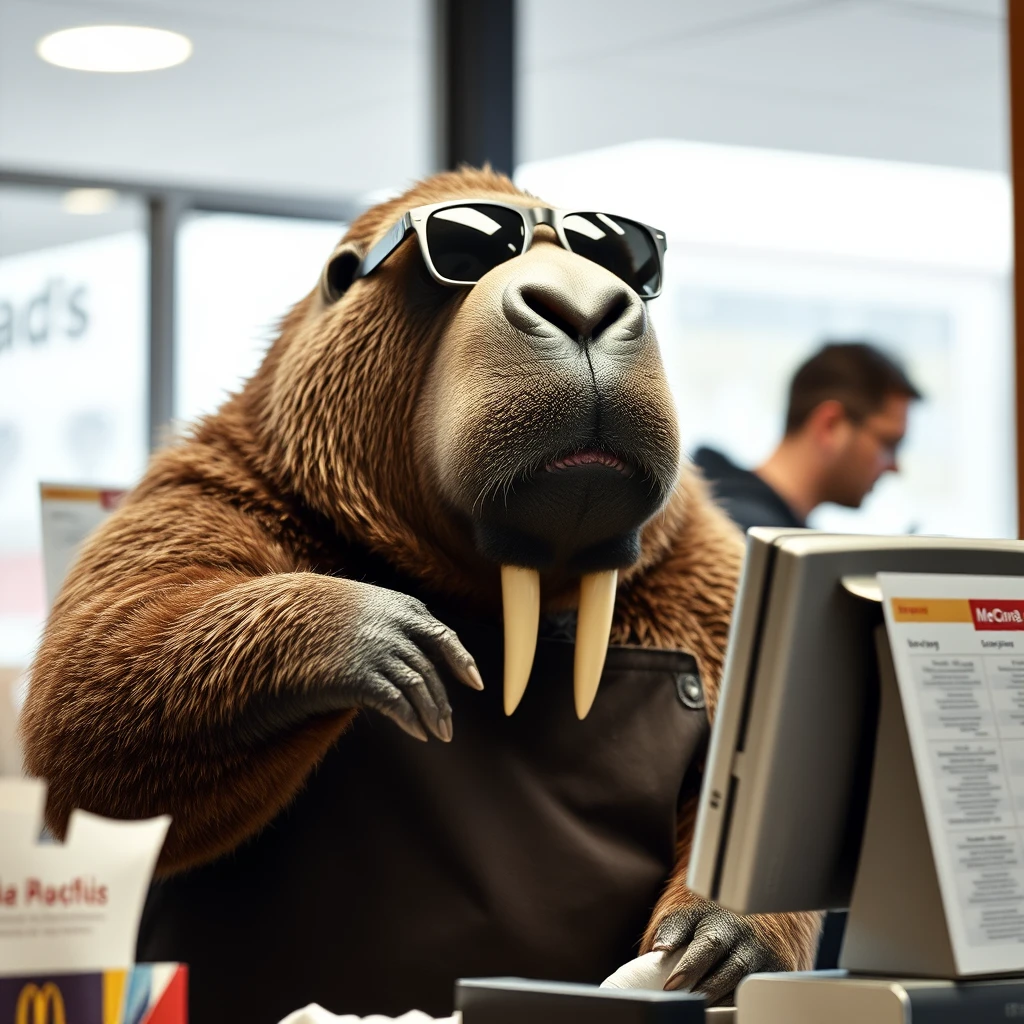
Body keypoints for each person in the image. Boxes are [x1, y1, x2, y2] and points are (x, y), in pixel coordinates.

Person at [693, 341, 922, 533]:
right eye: (888, 444)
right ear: (830, 425)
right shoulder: (746, 541)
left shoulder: (754, 530)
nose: (895, 467)